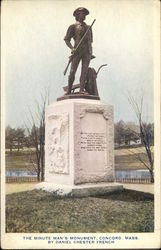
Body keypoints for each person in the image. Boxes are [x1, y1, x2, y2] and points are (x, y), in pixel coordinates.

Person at [64, 7, 95, 94]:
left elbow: (90, 41)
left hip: (87, 52)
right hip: (77, 52)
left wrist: (90, 52)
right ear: (77, 15)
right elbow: (67, 40)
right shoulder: (73, 27)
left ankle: (81, 89)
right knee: (72, 71)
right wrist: (72, 48)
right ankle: (69, 90)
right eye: (82, 13)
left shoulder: (89, 27)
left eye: (85, 14)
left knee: (84, 71)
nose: (84, 15)